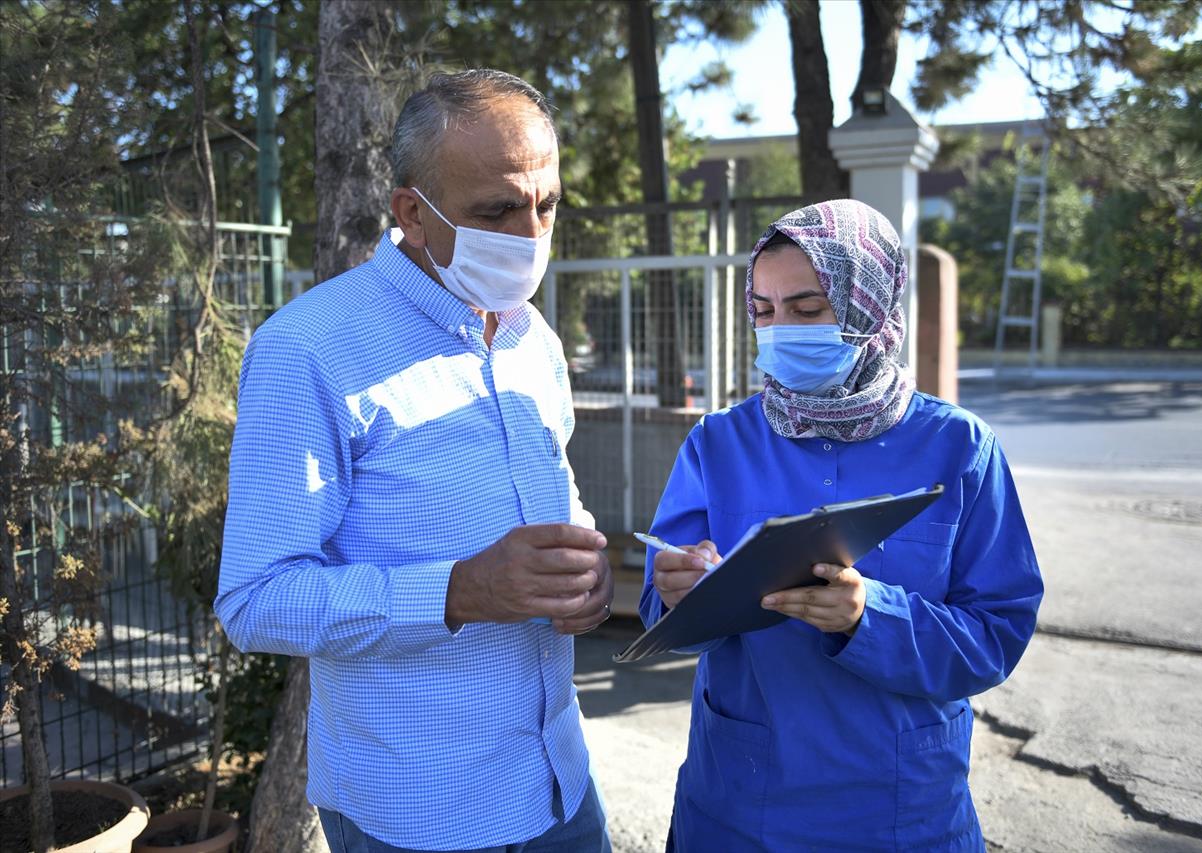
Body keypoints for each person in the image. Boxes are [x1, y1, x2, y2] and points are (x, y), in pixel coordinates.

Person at [215, 69, 613, 853]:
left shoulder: (534, 338)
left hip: (561, 785)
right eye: (497, 210)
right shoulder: (309, 350)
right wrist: (460, 590)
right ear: (412, 213)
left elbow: (559, 508)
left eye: (547, 204)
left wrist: (586, 576)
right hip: (419, 812)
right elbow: (255, 599)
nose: (530, 233)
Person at [641, 199, 1043, 852]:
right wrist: (674, 587)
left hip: (902, 811)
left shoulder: (960, 448)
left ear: (870, 305)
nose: (781, 333)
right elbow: (663, 616)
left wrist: (870, 616)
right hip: (738, 807)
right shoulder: (718, 443)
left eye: (806, 310)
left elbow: (997, 632)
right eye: (764, 313)